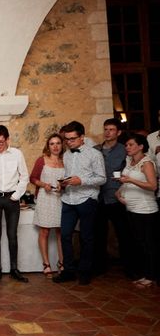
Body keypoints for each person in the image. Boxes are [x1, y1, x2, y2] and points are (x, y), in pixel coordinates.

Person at [54, 121, 106, 286]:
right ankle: (68, 271)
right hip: (68, 198)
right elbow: (70, 175)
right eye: (67, 139)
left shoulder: (94, 154)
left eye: (73, 139)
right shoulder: (67, 154)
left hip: (87, 198)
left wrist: (81, 180)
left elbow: (102, 178)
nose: (69, 142)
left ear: (82, 137)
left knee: (86, 237)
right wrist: (64, 183)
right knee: (65, 235)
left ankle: (85, 272)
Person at [0, 125, 30, 283]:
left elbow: (24, 177)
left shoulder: (17, 154)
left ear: (7, 139)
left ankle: (14, 269)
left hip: (11, 198)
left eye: (0, 141)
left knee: (12, 235)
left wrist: (16, 196)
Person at [115, 135, 158, 288]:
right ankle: (145, 273)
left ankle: (152, 276)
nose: (127, 147)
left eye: (131, 144)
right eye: (126, 145)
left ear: (141, 146)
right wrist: (119, 192)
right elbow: (127, 180)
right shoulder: (129, 161)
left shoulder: (146, 163)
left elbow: (152, 186)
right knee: (138, 243)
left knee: (148, 244)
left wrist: (130, 180)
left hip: (145, 209)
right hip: (131, 208)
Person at [93, 119, 129, 276]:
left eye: (111, 129)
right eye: (105, 129)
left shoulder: (125, 150)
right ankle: (100, 267)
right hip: (98, 198)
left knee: (124, 234)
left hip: (116, 197)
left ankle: (129, 267)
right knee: (98, 235)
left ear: (118, 132)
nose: (108, 132)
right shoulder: (95, 150)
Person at [29, 133, 65, 277]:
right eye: (52, 143)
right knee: (44, 231)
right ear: (48, 146)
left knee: (61, 232)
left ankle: (62, 262)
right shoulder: (41, 160)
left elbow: (69, 179)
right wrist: (44, 185)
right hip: (45, 198)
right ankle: (46, 264)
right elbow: (33, 178)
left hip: (61, 199)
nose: (55, 146)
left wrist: (64, 186)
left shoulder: (66, 160)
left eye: (58, 143)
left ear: (62, 145)